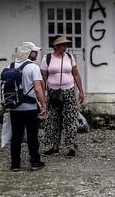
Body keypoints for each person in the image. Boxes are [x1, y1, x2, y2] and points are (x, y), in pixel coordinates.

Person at [40, 36, 85, 157]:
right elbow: (43, 78)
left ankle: (71, 146)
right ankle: (55, 146)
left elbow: (75, 74)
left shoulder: (69, 57)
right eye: (63, 45)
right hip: (53, 92)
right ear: (55, 46)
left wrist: (81, 91)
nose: (65, 47)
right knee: (54, 118)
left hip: (69, 91)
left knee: (70, 118)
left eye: (66, 45)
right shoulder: (47, 58)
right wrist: (43, 94)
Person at [9, 42, 47, 172]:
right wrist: (43, 104)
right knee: (32, 136)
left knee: (16, 136)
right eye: (33, 51)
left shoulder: (10, 66)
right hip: (30, 108)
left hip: (14, 107)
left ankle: (15, 164)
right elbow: (38, 89)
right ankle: (35, 162)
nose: (36, 54)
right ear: (27, 53)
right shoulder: (33, 67)